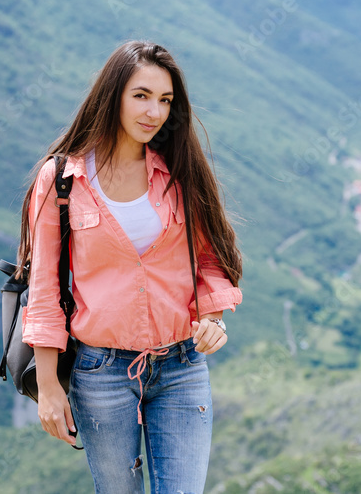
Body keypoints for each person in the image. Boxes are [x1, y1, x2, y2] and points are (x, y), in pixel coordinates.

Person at [17, 40, 243, 492]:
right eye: (141, 95)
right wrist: (47, 386)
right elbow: (43, 289)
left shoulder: (180, 171)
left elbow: (210, 259)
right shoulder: (61, 178)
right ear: (113, 94)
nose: (154, 112)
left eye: (165, 100)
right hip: (100, 373)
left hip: (182, 365)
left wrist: (212, 316)